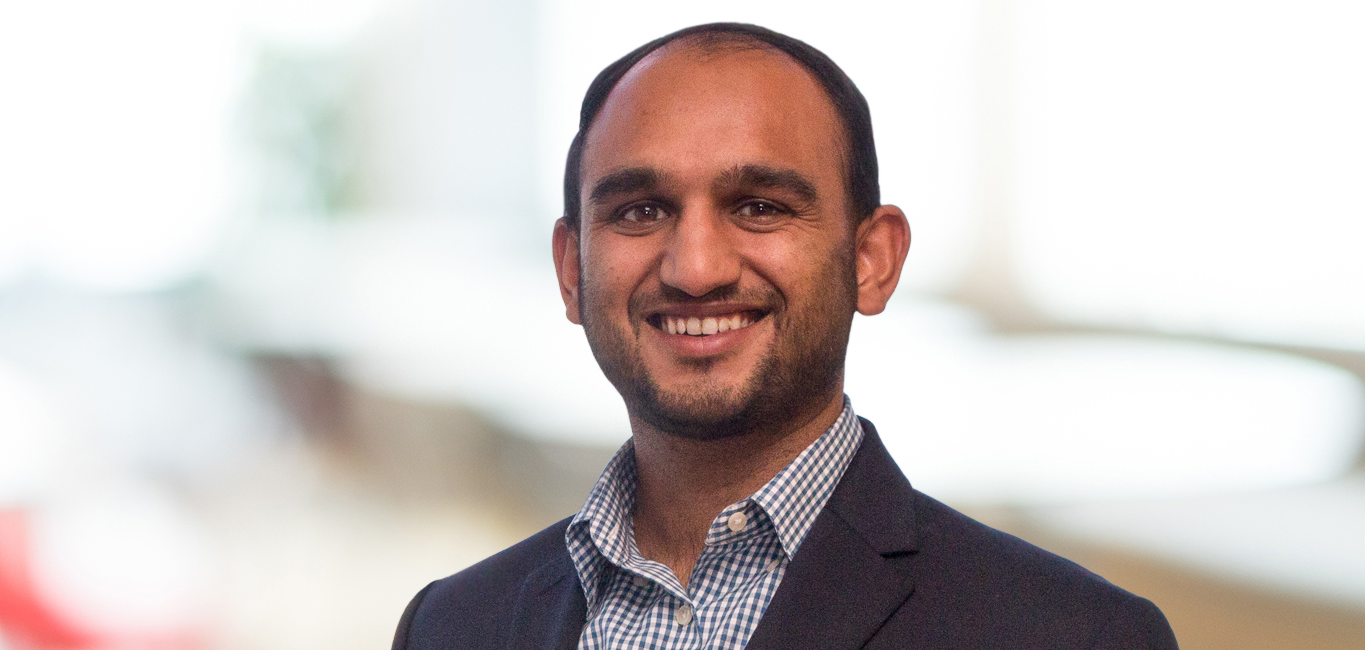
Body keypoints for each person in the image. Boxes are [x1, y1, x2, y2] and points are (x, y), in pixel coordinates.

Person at [390, 23, 1177, 650]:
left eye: (759, 207)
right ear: (572, 270)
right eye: (641, 211)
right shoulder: (451, 627)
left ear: (872, 260)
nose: (695, 268)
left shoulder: (1071, 635)